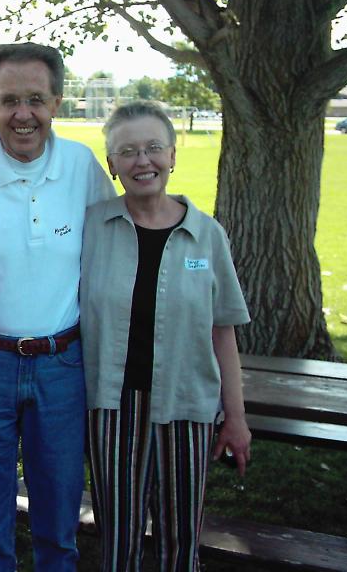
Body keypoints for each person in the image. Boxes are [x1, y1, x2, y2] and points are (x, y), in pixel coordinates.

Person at [0, 43, 116, 571]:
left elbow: (116, 243)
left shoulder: (81, 166)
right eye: (9, 99)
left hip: (62, 363)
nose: (23, 114)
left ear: (57, 102)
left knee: (59, 523)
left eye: (36, 99)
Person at [80, 100, 252, 571]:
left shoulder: (207, 235)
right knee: (119, 535)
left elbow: (223, 332)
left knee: (181, 539)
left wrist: (234, 417)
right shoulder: (93, 228)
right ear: (112, 164)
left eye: (154, 148)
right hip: (112, 407)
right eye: (128, 151)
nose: (143, 161)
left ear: (173, 155)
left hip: (188, 404)